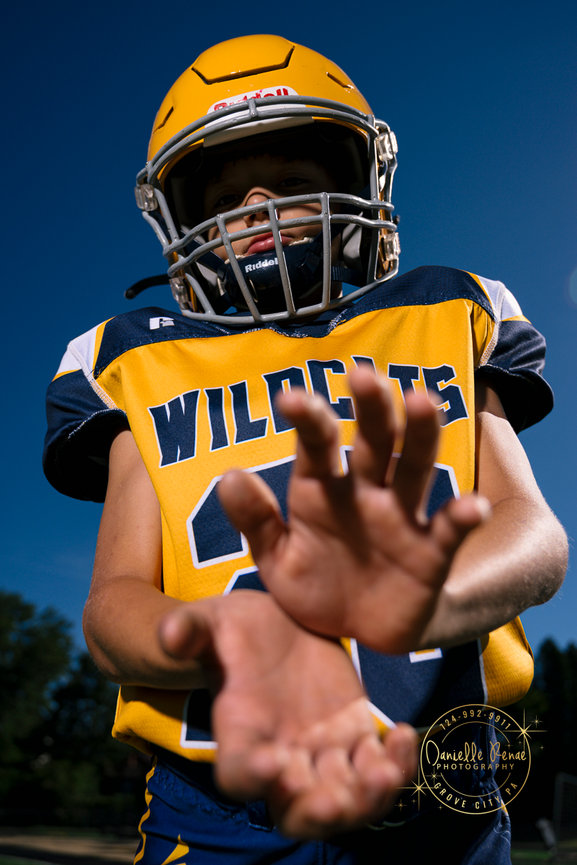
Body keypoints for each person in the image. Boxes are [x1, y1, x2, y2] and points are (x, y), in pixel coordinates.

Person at [43, 34, 567, 864]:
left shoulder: (448, 310)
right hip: (219, 810)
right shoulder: (130, 361)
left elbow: (532, 535)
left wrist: (422, 598)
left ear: (359, 185)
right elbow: (112, 609)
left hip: (438, 799)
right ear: (181, 219)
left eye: (291, 184)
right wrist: (227, 637)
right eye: (223, 196)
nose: (257, 206)